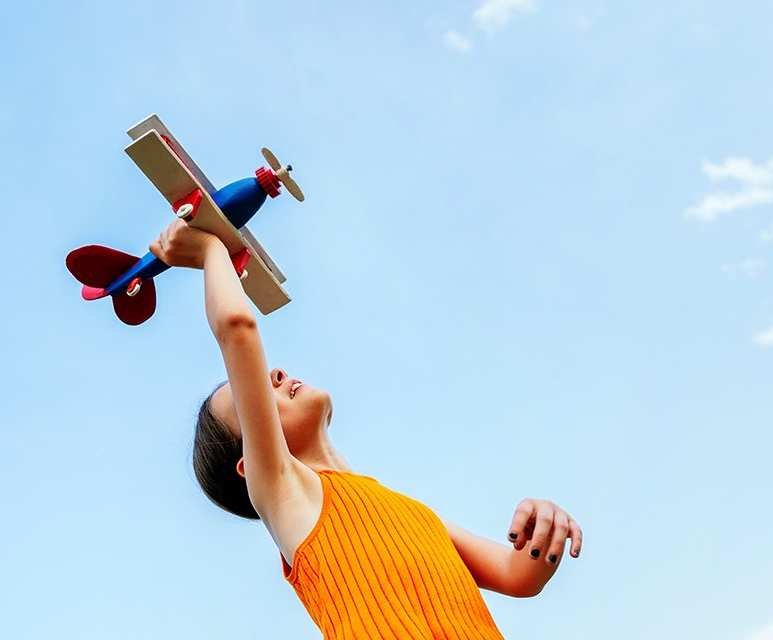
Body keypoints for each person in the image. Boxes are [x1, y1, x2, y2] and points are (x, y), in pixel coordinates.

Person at [149, 218, 582, 639]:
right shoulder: (286, 496)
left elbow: (517, 574)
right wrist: (210, 250)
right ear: (253, 464)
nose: (275, 374)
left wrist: (544, 530)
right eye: (253, 397)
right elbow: (236, 329)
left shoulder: (412, 514)